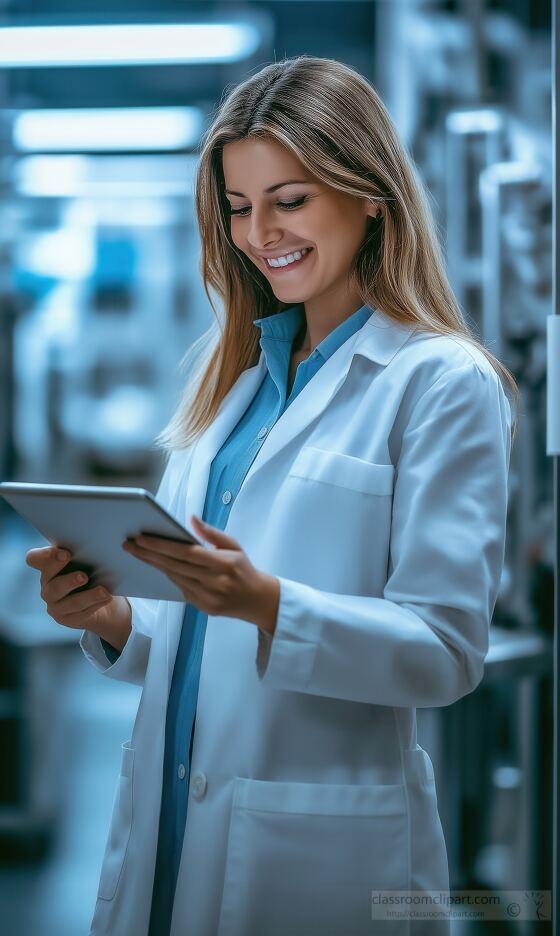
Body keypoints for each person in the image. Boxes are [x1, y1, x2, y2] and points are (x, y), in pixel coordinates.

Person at [26, 55, 519, 936]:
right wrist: (111, 620)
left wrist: (268, 603)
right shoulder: (236, 383)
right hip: (171, 832)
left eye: (289, 200)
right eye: (239, 207)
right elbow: (192, 642)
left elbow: (445, 652)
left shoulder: (440, 382)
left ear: (371, 194)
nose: (260, 233)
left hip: (318, 854)